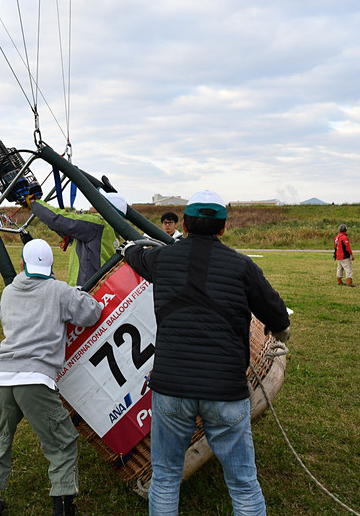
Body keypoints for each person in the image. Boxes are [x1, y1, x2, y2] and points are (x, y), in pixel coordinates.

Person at [121, 190, 291, 516]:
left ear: (183, 225)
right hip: (225, 388)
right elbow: (279, 317)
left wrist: (128, 248)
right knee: (243, 483)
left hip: (172, 387)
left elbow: (136, 255)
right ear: (223, 228)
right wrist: (280, 333)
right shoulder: (242, 266)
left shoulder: (162, 259)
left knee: (165, 478)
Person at [0, 239, 102, 516]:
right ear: (51, 266)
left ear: (22, 263)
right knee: (61, 444)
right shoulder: (59, 291)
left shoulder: (8, 293)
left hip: (2, 377)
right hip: (35, 379)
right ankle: (63, 509)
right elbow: (92, 313)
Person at [29, 190, 125, 287]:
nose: (94, 202)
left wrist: (34, 203)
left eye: (100, 201)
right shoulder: (110, 229)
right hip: (96, 287)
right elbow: (69, 231)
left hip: (85, 289)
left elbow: (60, 219)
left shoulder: (97, 223)